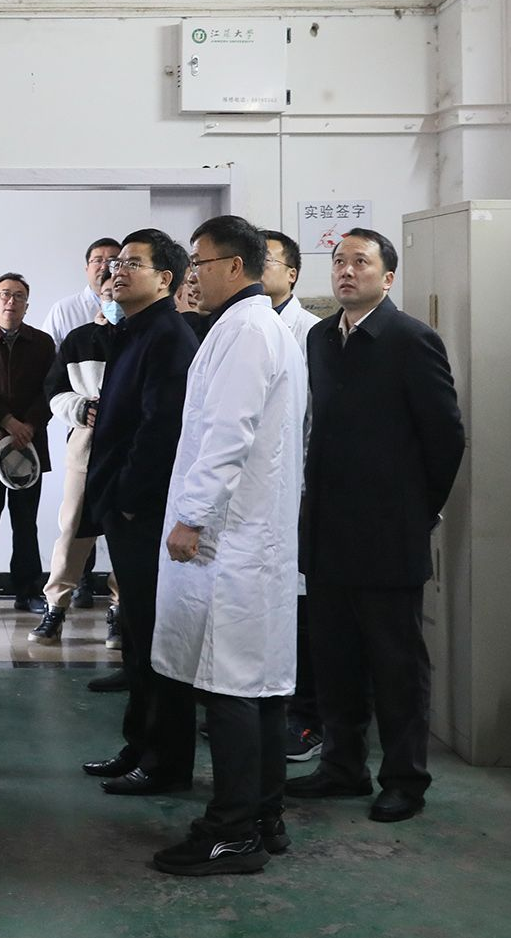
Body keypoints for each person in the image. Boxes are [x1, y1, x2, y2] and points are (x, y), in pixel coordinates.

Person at [285, 228, 465, 823]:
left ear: (387, 278)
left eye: (360, 262)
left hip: (389, 533)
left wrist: (417, 511)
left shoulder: (411, 339)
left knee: (396, 664)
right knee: (334, 658)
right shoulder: (319, 338)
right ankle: (342, 767)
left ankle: (405, 779)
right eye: (339, 261)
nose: (345, 270)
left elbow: (446, 437)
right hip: (327, 529)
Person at [149, 216, 307, 876]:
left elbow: (228, 434)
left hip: (231, 542)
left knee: (232, 687)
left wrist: (191, 516)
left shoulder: (245, 331)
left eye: (201, 262)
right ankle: (265, 816)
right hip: (255, 540)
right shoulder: (260, 327)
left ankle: (232, 831)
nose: (193, 274)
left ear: (234, 267)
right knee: (259, 686)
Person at [77, 229, 201, 796]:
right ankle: (138, 745)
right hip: (125, 510)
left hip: (146, 514)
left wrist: (127, 501)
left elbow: (160, 429)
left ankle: (165, 761)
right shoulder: (133, 330)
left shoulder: (168, 336)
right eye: (116, 263)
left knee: (157, 641)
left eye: (133, 263)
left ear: (165, 279)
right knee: (136, 638)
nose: (117, 271)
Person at [259, 228, 323, 762]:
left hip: (298, 492)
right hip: (260, 496)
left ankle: (305, 722)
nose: (257, 267)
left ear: (293, 273)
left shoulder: (310, 333)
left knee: (301, 609)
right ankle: (262, 712)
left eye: (268, 260)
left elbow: (312, 421)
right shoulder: (242, 325)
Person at [30, 275, 120, 644]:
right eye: (108, 293)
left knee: (126, 533)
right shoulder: (79, 339)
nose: (114, 298)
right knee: (72, 529)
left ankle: (120, 609)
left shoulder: (145, 336)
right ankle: (55, 607)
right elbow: (54, 390)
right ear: (99, 297)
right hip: (85, 447)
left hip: (131, 451)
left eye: (120, 291)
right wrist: (81, 408)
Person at [0, 274, 56, 619]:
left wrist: (29, 424)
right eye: (4, 294)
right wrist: (7, 421)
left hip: (29, 446)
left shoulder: (43, 343)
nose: (11, 301)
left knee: (25, 523)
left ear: (27, 306)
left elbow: (50, 389)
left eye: (18, 296)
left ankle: (28, 591)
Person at [39, 237, 122, 346]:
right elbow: (47, 351)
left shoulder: (136, 305)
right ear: (87, 269)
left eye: (112, 261)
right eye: (97, 260)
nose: (104, 267)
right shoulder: (63, 310)